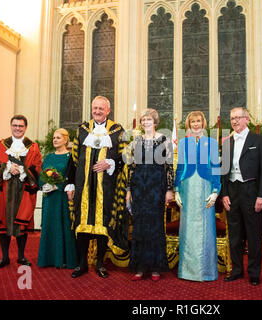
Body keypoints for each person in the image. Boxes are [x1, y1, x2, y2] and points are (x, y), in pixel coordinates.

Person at [66, 96, 125, 279]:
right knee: (82, 226)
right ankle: (82, 264)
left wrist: (110, 163)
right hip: (83, 186)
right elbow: (74, 158)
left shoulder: (117, 131)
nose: (97, 111)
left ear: (108, 110)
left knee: (102, 225)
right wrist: (70, 184)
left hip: (106, 187)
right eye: (95, 108)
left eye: (101, 108)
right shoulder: (82, 130)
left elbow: (125, 157)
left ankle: (99, 263)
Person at [221, 107, 262, 286]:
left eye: (238, 118)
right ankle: (236, 269)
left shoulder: (260, 140)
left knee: (254, 234)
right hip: (232, 192)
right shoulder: (227, 142)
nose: (234, 121)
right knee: (235, 235)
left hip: (252, 191)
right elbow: (224, 171)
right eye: (232, 118)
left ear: (247, 119)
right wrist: (224, 194)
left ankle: (254, 272)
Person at [125, 109, 173, 281]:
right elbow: (131, 167)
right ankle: (139, 267)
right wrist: (129, 190)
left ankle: (155, 267)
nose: (146, 122)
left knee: (155, 226)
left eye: (149, 120)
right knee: (139, 227)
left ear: (155, 122)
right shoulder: (136, 141)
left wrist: (169, 189)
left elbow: (169, 166)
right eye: (143, 120)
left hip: (157, 187)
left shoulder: (164, 140)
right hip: (139, 187)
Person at [0, 115, 42, 268]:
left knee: (21, 224)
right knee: (3, 224)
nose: (18, 128)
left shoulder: (33, 147)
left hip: (23, 190)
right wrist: (6, 168)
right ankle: (5, 257)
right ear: (11, 126)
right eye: (15, 125)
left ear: (25, 127)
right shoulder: (0, 146)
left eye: (21, 126)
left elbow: (38, 166)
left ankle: (21, 256)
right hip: (4, 190)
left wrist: (23, 170)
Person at [174, 111, 221, 282]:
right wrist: (177, 189)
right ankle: (187, 271)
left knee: (206, 228)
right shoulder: (183, 143)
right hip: (187, 186)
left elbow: (216, 167)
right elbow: (180, 167)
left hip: (205, 186)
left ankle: (206, 271)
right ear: (188, 124)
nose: (195, 124)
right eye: (192, 121)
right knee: (187, 228)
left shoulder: (212, 142)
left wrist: (216, 190)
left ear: (203, 123)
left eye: (198, 121)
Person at [37, 128, 78, 269]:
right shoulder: (48, 157)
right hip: (49, 198)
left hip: (63, 197)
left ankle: (65, 259)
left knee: (64, 226)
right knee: (49, 226)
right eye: (54, 137)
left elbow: (72, 177)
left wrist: (58, 186)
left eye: (58, 138)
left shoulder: (71, 157)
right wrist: (43, 185)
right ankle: (48, 259)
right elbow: (41, 175)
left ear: (66, 140)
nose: (55, 140)